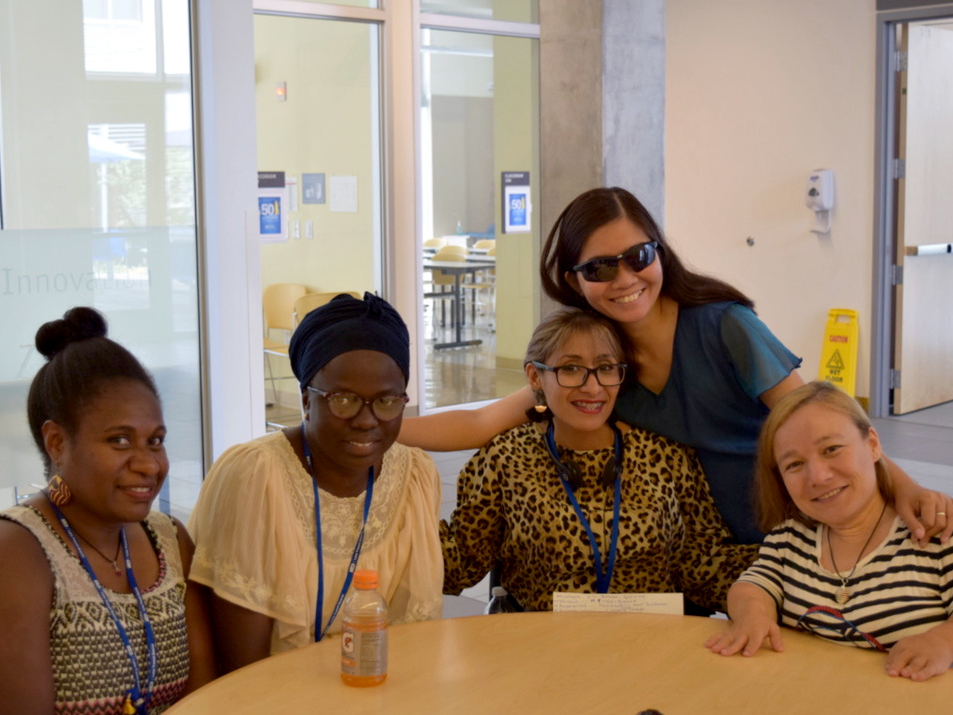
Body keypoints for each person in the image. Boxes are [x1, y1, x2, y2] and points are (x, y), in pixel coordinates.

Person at [400, 187, 953, 545]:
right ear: (572, 280)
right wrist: (365, 428)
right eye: (599, 268)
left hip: (805, 526)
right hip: (709, 546)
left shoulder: (725, 326)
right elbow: (479, 423)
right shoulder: (600, 362)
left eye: (639, 257)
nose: (624, 280)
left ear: (659, 251)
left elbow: (818, 424)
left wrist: (901, 487)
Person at [188, 292, 443, 673]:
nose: (366, 420)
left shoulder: (416, 478)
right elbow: (243, 671)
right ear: (306, 400)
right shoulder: (255, 478)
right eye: (343, 399)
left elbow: (415, 646)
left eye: (387, 401)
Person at [441, 308, 758, 611]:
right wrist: (396, 494)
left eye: (606, 368)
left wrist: (789, 562)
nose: (592, 387)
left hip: (649, 644)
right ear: (535, 377)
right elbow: (458, 567)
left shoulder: (664, 453)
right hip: (543, 647)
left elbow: (704, 566)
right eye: (571, 368)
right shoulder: (505, 458)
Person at [0, 307, 215, 715]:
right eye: (119, 440)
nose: (149, 464)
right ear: (57, 442)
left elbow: (205, 697)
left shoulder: (168, 538)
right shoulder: (18, 551)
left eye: (155, 440)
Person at [705, 382, 953, 682]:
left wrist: (944, 641)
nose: (818, 476)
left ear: (873, 444)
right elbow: (752, 585)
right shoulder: (789, 539)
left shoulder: (935, 532)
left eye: (832, 449)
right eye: (795, 464)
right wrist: (752, 613)